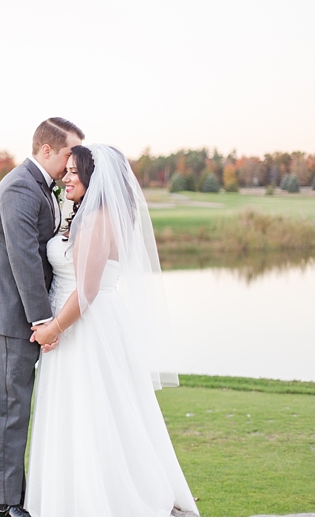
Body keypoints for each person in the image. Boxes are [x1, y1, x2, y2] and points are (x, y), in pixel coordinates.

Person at [25, 144, 200, 516]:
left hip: (86, 326)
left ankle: (99, 498)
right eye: (66, 170)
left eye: (74, 172)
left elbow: (86, 292)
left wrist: (51, 330)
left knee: (92, 411)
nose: (66, 178)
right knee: (81, 410)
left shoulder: (98, 220)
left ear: (94, 178)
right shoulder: (86, 216)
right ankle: (72, 493)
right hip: (82, 322)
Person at [0, 117, 84, 517]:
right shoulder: (20, 186)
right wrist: (43, 321)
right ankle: (5, 504)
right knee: (8, 408)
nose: (74, 161)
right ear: (47, 150)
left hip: (21, 316)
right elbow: (24, 261)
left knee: (18, 406)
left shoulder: (41, 186)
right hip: (6, 316)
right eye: (70, 152)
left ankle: (17, 495)